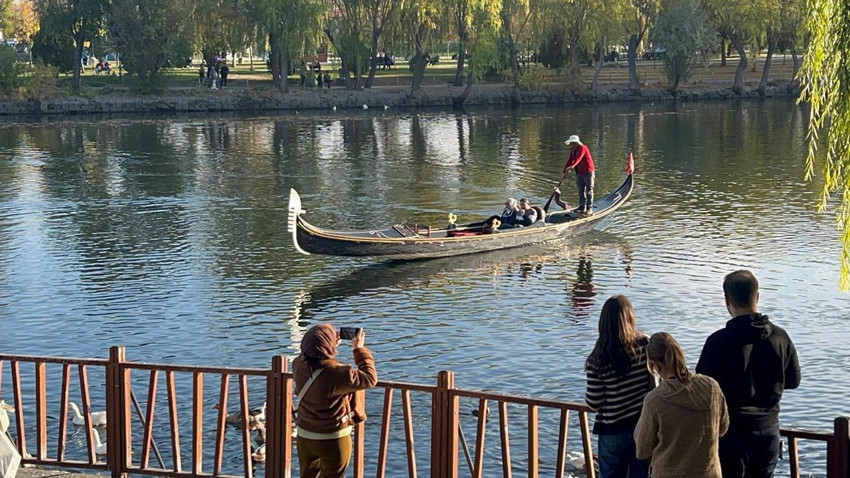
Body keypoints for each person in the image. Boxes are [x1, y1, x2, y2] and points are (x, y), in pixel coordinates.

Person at [695, 270, 801, 478]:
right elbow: (793, 381)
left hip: (732, 433)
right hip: (769, 430)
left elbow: (702, 389)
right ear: (757, 296)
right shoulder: (781, 337)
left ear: (727, 300)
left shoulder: (717, 342)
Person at [634, 332, 729, 478]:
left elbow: (642, 450)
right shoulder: (712, 387)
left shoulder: (655, 401)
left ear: (654, 365)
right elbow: (722, 428)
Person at [293, 324, 378, 478]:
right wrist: (359, 349)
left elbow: (314, 357)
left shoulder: (297, 364)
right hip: (332, 437)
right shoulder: (339, 373)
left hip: (304, 434)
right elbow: (370, 378)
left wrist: (328, 344)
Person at [585, 295, 655, 478]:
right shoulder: (644, 344)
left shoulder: (598, 358)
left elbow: (594, 402)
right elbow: (653, 382)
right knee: (641, 472)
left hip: (613, 429)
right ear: (630, 317)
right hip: (642, 424)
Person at [563, 135, 596, 215]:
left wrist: (572, 167)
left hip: (588, 172)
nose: (570, 145)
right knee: (581, 190)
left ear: (575, 143)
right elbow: (570, 160)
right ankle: (582, 206)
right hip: (580, 173)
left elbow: (579, 158)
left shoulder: (583, 148)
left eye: (571, 143)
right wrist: (564, 170)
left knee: (589, 190)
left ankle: (589, 208)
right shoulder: (573, 151)